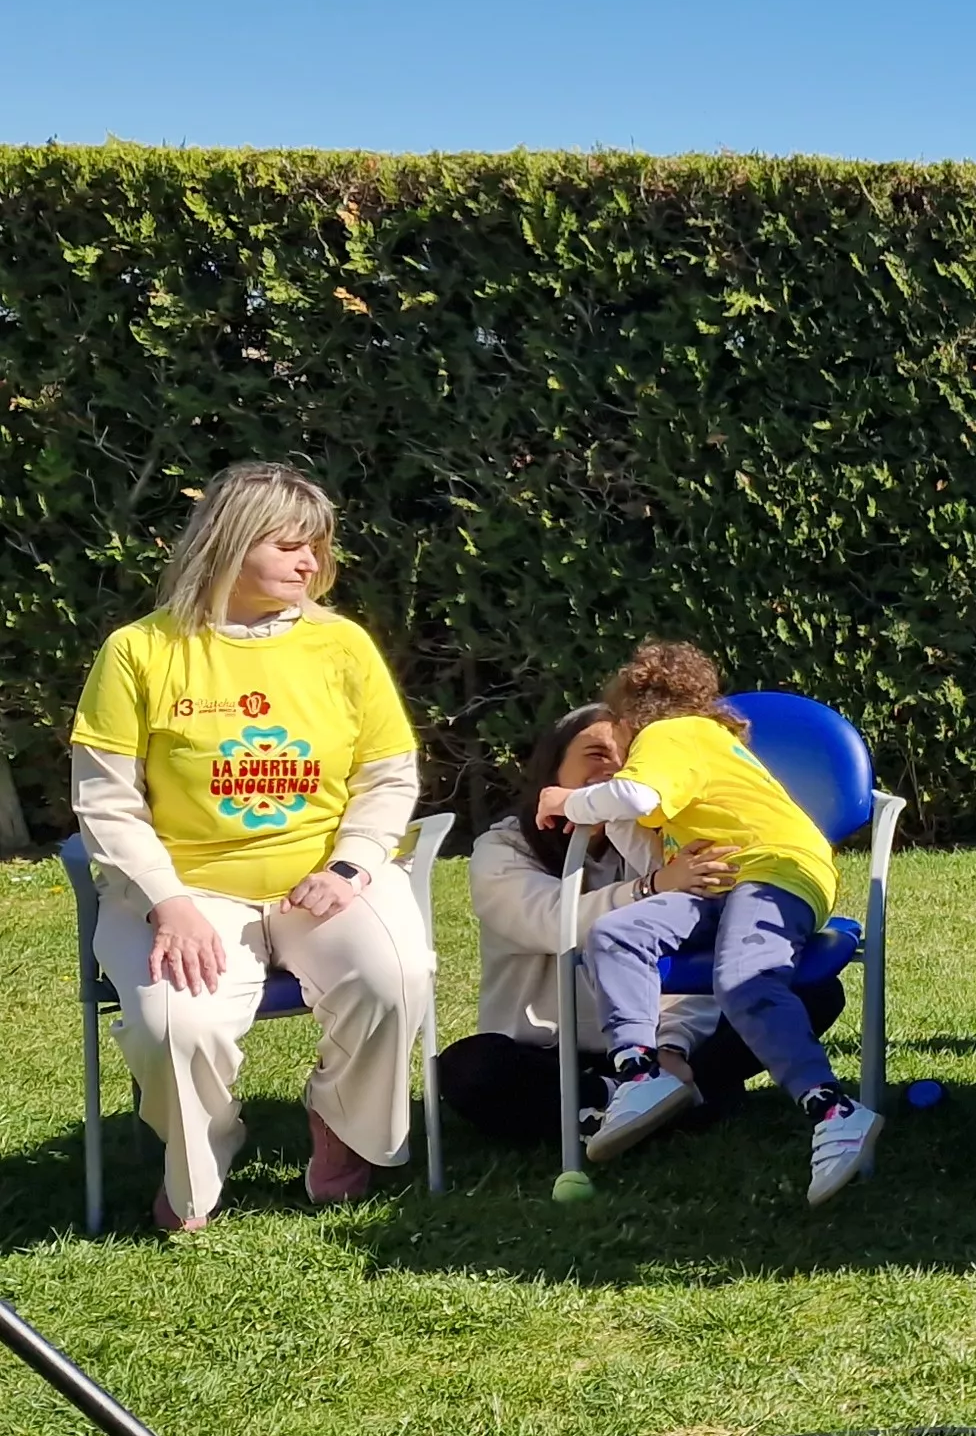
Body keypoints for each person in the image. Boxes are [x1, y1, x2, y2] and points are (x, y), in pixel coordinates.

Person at [67, 462, 434, 1231]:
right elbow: (106, 798)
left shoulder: (343, 645)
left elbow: (388, 777)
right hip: (184, 890)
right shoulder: (140, 650)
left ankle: (344, 1122)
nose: (311, 563)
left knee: (394, 976)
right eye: (291, 544)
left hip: (323, 879)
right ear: (231, 543)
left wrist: (351, 865)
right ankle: (201, 1156)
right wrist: (168, 903)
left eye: (317, 547)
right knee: (175, 1026)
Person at [536, 641, 881, 1204]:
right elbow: (641, 824)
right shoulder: (699, 744)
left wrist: (566, 799)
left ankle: (834, 1110)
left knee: (745, 978)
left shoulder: (673, 735)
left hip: (775, 872)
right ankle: (642, 1074)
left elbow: (632, 793)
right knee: (615, 933)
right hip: (721, 886)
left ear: (633, 714)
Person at [437, 705, 842, 1145]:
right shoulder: (502, 848)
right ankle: (648, 1101)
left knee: (810, 990)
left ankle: (646, 1098)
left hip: (654, 1049)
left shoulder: (661, 840)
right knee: (468, 1069)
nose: (612, 769)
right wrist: (652, 887)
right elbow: (553, 923)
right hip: (549, 1052)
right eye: (595, 754)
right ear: (552, 768)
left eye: (626, 760)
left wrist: (673, 1045)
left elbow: (703, 953)